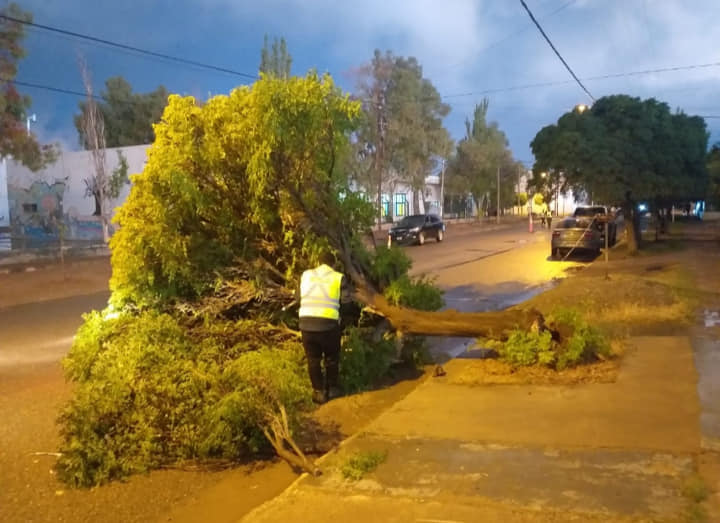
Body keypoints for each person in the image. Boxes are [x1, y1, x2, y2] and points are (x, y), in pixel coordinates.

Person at [298, 252, 350, 404]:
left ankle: (318, 393)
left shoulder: (306, 275)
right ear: (333, 265)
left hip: (306, 325)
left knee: (313, 360)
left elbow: (297, 298)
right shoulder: (338, 277)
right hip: (328, 325)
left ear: (318, 262)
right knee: (331, 358)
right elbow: (347, 303)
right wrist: (341, 318)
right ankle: (332, 390)